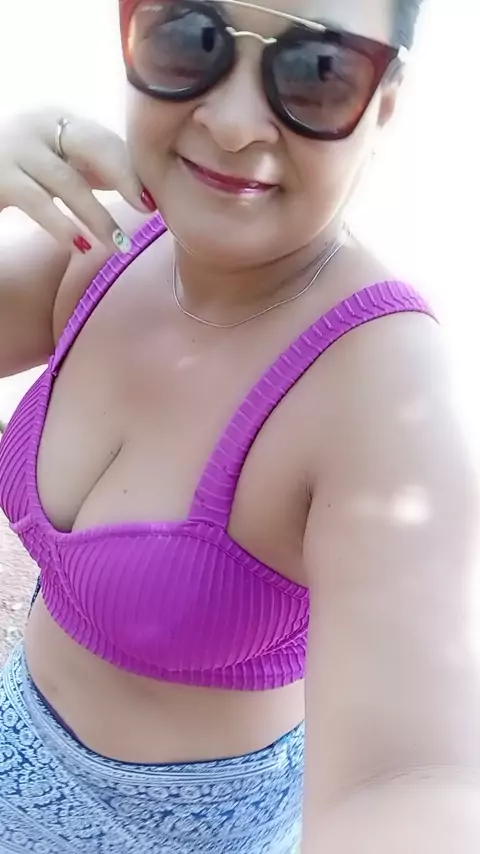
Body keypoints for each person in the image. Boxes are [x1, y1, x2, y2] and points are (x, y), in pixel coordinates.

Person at [0, 0, 479, 852]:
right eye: (192, 36)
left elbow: (406, 777)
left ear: (384, 103)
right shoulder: (110, 245)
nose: (231, 123)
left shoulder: (386, 389)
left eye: (318, 70)